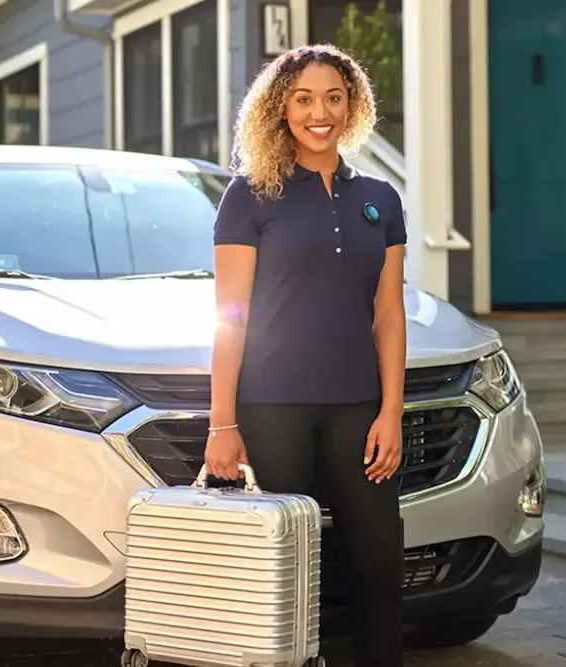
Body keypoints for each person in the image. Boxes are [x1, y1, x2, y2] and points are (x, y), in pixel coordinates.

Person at [204, 44, 407, 667]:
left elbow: (389, 315)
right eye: (304, 99)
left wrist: (391, 413)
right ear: (280, 108)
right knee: (283, 567)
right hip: (272, 410)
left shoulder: (381, 199)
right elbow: (230, 317)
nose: (320, 113)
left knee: (378, 558)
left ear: (352, 106)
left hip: (359, 410)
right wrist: (222, 424)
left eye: (333, 98)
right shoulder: (249, 196)